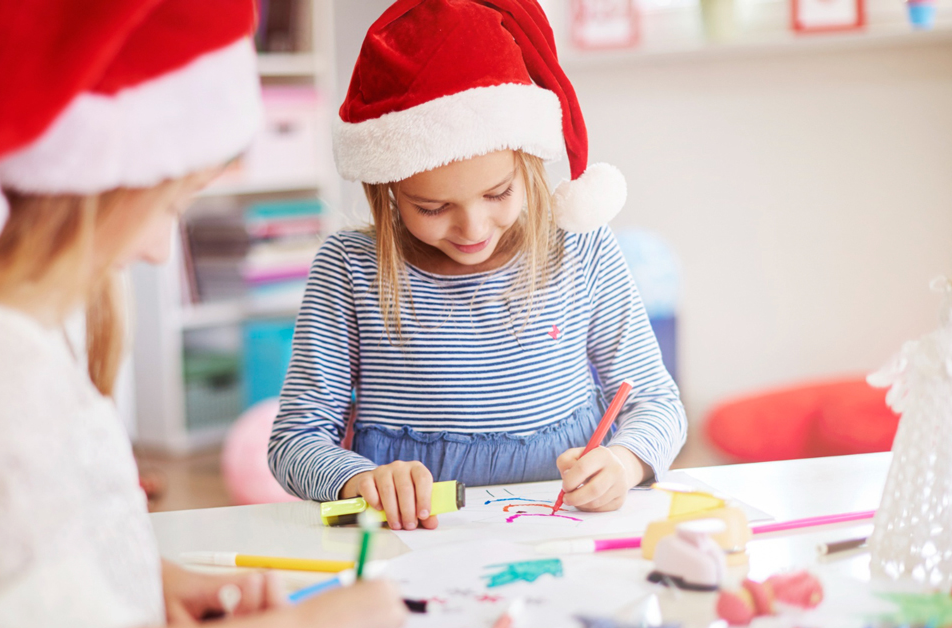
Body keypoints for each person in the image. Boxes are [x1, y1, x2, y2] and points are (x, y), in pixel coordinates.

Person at [0, 1, 404, 627]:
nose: (160, 251)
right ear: (79, 182)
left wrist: (154, 583)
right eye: (168, 207)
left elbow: (22, 556)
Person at [268, 0, 687, 532]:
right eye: (433, 208)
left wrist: (624, 464)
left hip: (562, 534)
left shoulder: (582, 247)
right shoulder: (349, 269)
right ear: (386, 188)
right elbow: (294, 440)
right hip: (414, 542)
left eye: (498, 193)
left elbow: (656, 402)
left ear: (528, 162)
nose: (472, 228)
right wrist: (359, 480)